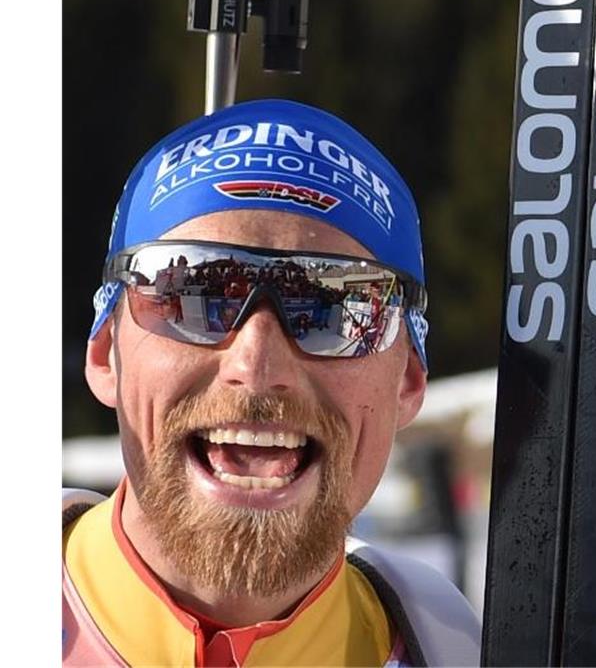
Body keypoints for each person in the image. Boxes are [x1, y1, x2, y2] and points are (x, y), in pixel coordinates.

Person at [64, 99, 481, 666]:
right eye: (196, 295)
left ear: (409, 376)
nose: (258, 365)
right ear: (104, 351)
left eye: (334, 307)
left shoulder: (464, 650)